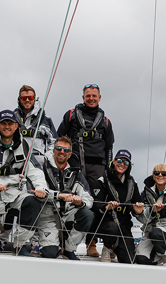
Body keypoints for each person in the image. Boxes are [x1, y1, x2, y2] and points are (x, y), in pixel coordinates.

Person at [0, 110, 49, 255]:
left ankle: (19, 245)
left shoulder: (24, 145)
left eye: (10, 123)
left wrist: (40, 188)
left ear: (16, 126)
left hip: (13, 195)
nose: (7, 126)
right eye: (3, 123)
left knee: (33, 202)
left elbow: (35, 170)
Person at [57, 83, 115, 257]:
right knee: (69, 201)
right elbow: (60, 138)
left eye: (94, 96)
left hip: (97, 168)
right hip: (74, 165)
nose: (91, 98)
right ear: (83, 97)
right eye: (88, 96)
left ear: (99, 98)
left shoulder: (106, 122)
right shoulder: (71, 115)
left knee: (95, 204)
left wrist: (108, 170)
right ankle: (63, 242)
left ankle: (92, 243)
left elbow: (109, 147)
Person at [16, 136, 94, 260]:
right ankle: (49, 245)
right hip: (47, 217)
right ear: (53, 150)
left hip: (67, 214)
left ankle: (69, 250)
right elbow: (36, 192)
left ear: (70, 154)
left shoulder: (76, 173)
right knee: (50, 253)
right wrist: (59, 195)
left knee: (87, 214)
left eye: (66, 150)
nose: (62, 152)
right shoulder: (41, 168)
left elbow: (89, 199)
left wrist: (80, 202)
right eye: (59, 148)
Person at [90, 149, 144, 264]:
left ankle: (114, 248)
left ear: (129, 165)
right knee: (112, 227)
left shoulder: (132, 183)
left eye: (126, 162)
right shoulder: (102, 180)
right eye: (119, 160)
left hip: (124, 224)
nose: (122, 164)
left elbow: (136, 203)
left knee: (129, 260)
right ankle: (107, 247)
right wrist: (106, 207)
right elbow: (94, 204)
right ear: (114, 161)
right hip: (104, 222)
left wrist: (137, 211)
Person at [14, 85, 57, 165]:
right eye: (24, 98)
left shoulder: (45, 119)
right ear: (19, 99)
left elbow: (54, 142)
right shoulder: (12, 119)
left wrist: (47, 158)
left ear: (35, 99)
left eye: (30, 98)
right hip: (18, 161)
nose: (27, 100)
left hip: (39, 162)